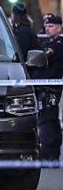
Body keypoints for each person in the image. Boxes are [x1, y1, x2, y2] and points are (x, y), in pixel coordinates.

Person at [35, 14, 63, 161]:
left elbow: (43, 57)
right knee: (51, 119)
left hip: (50, 88)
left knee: (46, 120)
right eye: (46, 26)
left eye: (51, 26)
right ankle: (53, 153)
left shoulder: (58, 44)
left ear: (59, 27)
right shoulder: (48, 42)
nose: (47, 28)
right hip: (45, 86)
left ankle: (47, 153)